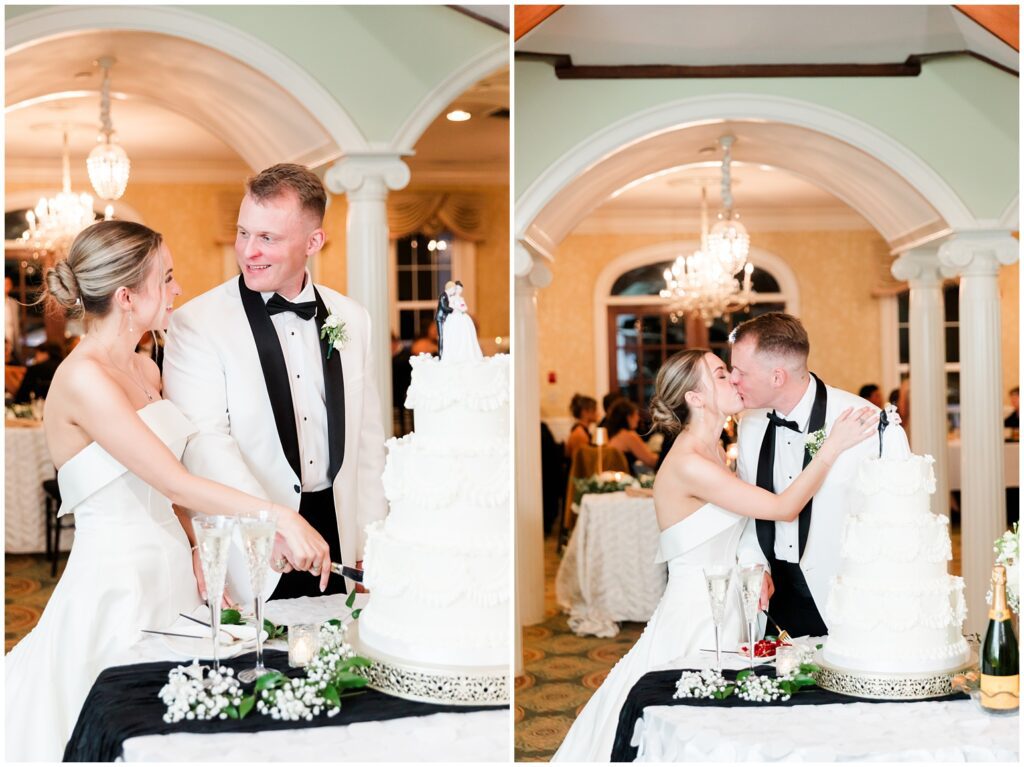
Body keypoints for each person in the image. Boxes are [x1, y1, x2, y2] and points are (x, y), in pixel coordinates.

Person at [4, 220, 332, 762]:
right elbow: (171, 478)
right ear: (128, 296)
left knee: (179, 726)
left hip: (174, 572)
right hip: (117, 580)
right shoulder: (83, 378)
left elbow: (171, 495)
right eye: (169, 278)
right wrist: (278, 517)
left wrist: (201, 550)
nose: (179, 289)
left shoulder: (144, 365)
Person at [552, 348, 877, 762]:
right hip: (698, 616)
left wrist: (756, 565)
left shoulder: (717, 450)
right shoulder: (689, 462)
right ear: (695, 397)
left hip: (730, 606)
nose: (735, 380)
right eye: (722, 374)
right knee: (690, 729)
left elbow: (735, 527)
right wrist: (831, 448)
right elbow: (781, 508)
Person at [164, 163, 388, 603]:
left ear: (313, 242)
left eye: (268, 238)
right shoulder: (197, 323)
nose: (249, 251)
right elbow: (206, 446)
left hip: (338, 529)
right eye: (243, 233)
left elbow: (367, 439)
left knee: (343, 662)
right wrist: (272, 525)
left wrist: (370, 538)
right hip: (255, 538)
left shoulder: (353, 319)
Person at [730, 312, 909, 639]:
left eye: (740, 372)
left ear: (777, 377)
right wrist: (754, 564)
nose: (732, 379)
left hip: (844, 597)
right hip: (772, 595)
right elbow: (748, 510)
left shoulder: (866, 423)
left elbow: (897, 521)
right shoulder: (750, 424)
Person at [605, 399, 658, 474]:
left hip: (614, 478)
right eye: (636, 414)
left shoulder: (613, 433)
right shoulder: (629, 436)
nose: (638, 418)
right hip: (627, 479)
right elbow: (651, 461)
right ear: (628, 417)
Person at [439, 280, 482, 362]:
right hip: (454, 317)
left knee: (465, 334)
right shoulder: (451, 298)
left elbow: (464, 307)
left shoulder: (461, 298)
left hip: (462, 316)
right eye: (457, 289)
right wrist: (458, 307)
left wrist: (461, 307)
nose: (459, 291)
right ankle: (454, 354)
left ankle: (465, 354)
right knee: (454, 334)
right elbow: (451, 306)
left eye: (460, 289)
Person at [565, 393, 597, 461]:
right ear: (584, 412)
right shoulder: (580, 434)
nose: (597, 413)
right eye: (594, 410)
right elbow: (579, 463)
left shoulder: (583, 431)